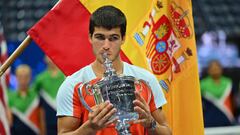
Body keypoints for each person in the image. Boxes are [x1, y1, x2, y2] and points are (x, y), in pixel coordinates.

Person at [57, 5, 171, 135]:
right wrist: (90, 128)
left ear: (123, 39)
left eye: (113, 38)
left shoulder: (146, 80)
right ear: (90, 37)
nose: (106, 46)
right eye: (100, 37)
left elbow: (167, 132)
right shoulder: (73, 85)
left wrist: (151, 123)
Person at [7, 64, 45, 135]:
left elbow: (41, 120)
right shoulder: (9, 97)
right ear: (16, 77)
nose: (23, 80)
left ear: (30, 77)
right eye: (20, 76)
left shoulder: (37, 96)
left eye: (26, 76)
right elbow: (9, 122)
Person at [33, 56, 65, 135]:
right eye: (48, 56)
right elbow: (37, 104)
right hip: (48, 120)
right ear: (45, 59)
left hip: (65, 117)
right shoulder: (39, 79)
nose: (50, 59)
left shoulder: (66, 76)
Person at [200, 60, 234, 127]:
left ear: (221, 69)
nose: (215, 70)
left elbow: (234, 102)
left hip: (228, 119)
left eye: (217, 68)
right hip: (209, 120)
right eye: (212, 68)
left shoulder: (228, 82)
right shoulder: (202, 84)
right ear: (208, 70)